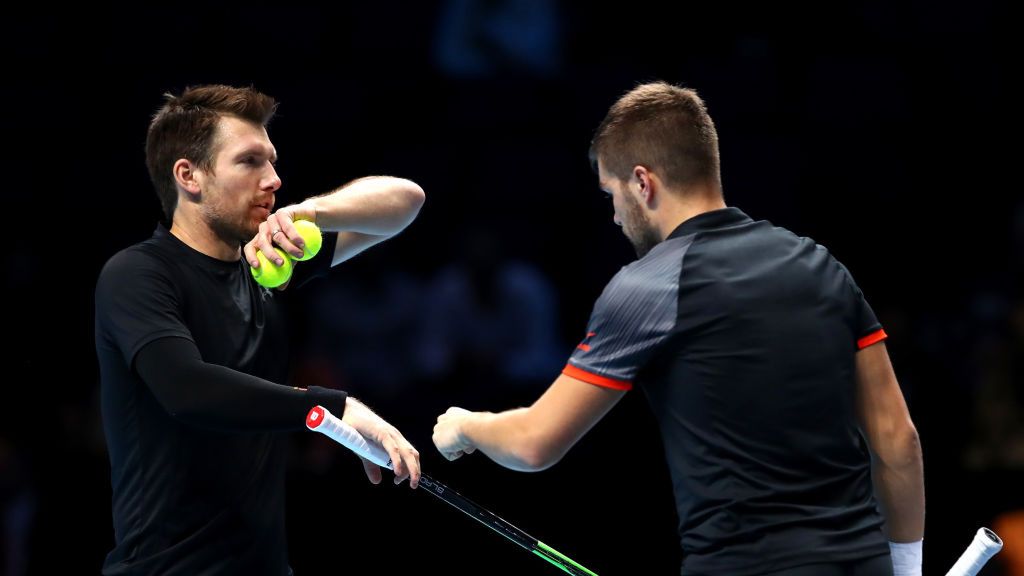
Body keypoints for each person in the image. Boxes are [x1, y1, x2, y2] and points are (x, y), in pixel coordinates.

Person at [432, 81, 925, 576]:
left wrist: (466, 426)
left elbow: (533, 443)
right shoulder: (821, 266)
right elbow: (898, 439)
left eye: (612, 193)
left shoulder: (647, 286)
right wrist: (906, 567)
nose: (615, 216)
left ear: (643, 183)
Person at [95, 84, 424, 575]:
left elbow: (406, 202)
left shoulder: (267, 264)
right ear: (188, 175)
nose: (273, 179)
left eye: (271, 161)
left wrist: (308, 212)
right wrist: (335, 407)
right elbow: (187, 389)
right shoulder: (138, 274)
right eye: (250, 161)